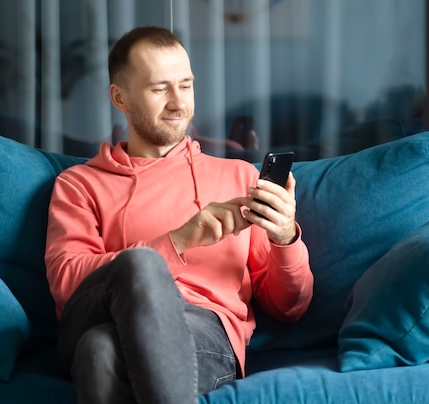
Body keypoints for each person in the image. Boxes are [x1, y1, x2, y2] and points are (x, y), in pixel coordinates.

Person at [44, 26, 314, 404]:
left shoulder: (238, 177)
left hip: (205, 332)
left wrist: (284, 238)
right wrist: (179, 241)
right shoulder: (80, 184)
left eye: (185, 86)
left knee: (98, 351)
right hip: (98, 315)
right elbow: (67, 285)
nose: (177, 103)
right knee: (139, 265)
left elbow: (290, 309)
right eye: (159, 89)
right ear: (119, 97)